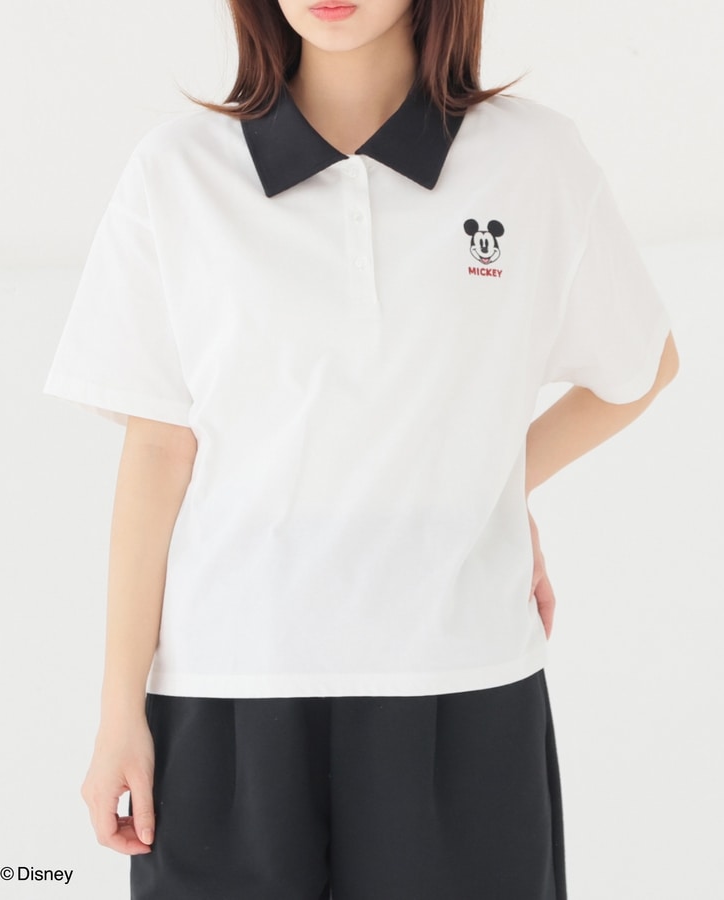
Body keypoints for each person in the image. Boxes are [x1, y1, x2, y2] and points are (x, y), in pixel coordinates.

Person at [43, 1, 679, 898]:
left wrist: (490, 486)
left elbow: (641, 367)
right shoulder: (178, 171)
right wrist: (119, 714)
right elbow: (157, 448)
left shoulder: (532, 158)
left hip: (462, 684)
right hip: (226, 689)